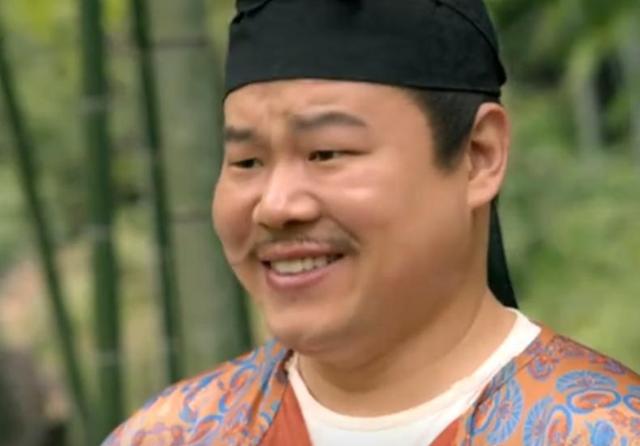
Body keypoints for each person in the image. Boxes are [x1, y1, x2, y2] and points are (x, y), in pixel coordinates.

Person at [103, 0, 640, 444]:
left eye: (326, 152)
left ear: (478, 156)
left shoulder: (603, 432)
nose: (275, 205)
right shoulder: (172, 434)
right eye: (247, 162)